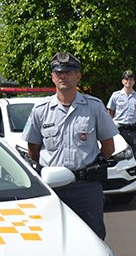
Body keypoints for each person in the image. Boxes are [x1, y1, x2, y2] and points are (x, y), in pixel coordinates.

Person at [22, 52, 117, 239]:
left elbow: (109, 146)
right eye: (58, 72)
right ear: (52, 77)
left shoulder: (94, 107)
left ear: (78, 76)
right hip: (51, 189)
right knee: (52, 238)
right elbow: (33, 149)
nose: (63, 76)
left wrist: (94, 165)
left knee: (93, 238)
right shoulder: (40, 110)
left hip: (85, 187)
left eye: (68, 71)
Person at [107, 70, 136, 195]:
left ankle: (135, 184)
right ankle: (118, 181)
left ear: (134, 81)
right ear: (122, 81)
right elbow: (110, 114)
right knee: (118, 155)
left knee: (135, 158)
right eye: (126, 79)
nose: (128, 81)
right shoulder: (115, 96)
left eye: (131, 79)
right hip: (119, 130)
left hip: (133, 130)